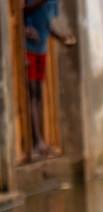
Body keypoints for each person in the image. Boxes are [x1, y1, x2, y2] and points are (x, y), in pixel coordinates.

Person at [22, 0, 75, 161]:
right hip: (28, 47)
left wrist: (60, 37)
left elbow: (46, 22)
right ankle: (36, 141)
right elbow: (21, 13)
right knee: (31, 93)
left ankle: (41, 140)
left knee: (38, 93)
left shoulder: (55, 2)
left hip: (42, 48)